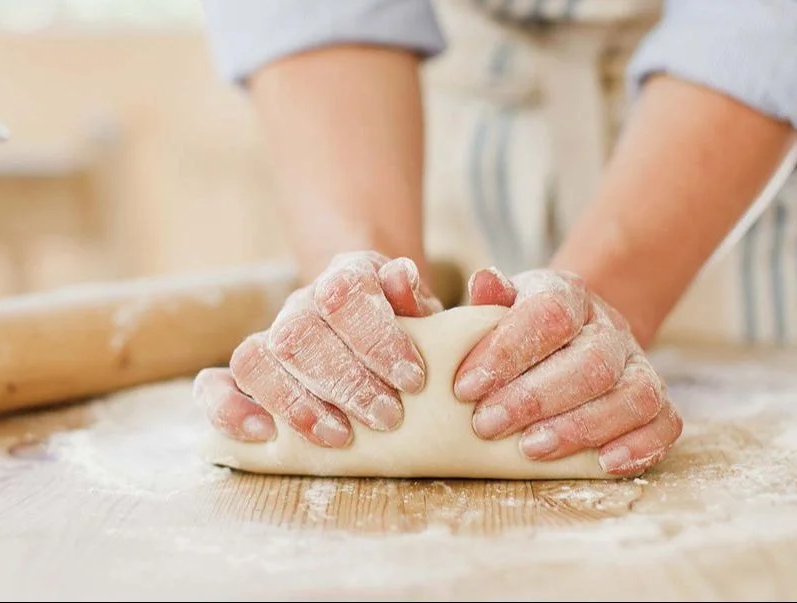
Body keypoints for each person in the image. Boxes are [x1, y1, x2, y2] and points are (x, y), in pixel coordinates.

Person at [190, 0, 797, 476]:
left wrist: (602, 304)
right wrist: (355, 283)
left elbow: (758, 22)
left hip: (730, 165)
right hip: (449, 127)